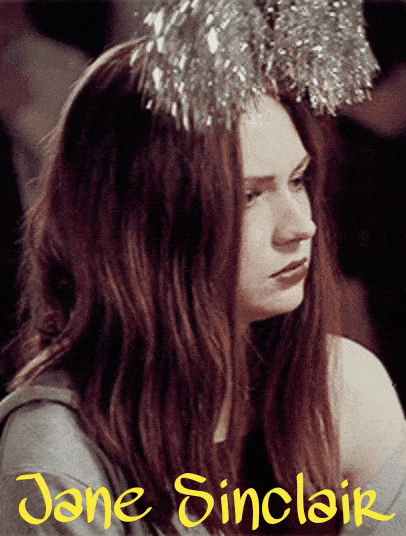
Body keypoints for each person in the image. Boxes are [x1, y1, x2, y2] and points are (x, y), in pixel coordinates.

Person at [0, 1, 405, 534]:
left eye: (298, 180)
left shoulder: (346, 387)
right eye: (248, 196)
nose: (300, 226)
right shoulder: (60, 450)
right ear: (144, 223)